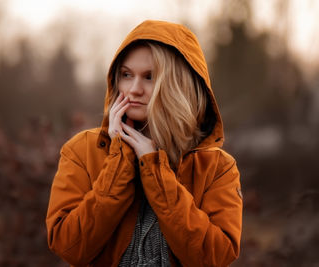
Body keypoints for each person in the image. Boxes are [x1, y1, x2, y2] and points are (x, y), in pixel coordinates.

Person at [46, 20, 242, 266]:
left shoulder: (216, 167)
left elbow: (215, 256)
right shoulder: (82, 150)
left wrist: (155, 170)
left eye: (150, 77)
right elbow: (69, 246)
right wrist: (120, 162)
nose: (134, 89)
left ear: (179, 86)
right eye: (126, 75)